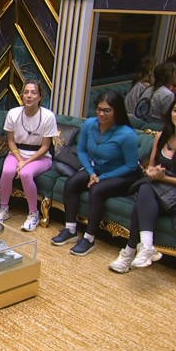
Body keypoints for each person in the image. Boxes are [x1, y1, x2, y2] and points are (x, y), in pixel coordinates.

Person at [109, 94, 176, 273]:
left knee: (144, 189)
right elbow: (152, 167)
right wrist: (152, 172)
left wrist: (164, 179)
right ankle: (144, 247)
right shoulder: (162, 136)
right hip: (158, 187)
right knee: (145, 189)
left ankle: (130, 252)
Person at [51, 91, 140, 256]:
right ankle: (70, 229)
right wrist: (91, 173)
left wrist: (102, 178)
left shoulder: (127, 134)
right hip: (96, 168)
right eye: (99, 109)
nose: (101, 114)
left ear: (117, 111)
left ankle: (89, 238)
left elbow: (131, 165)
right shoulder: (90, 124)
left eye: (107, 110)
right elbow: (82, 151)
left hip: (123, 175)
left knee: (97, 190)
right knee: (71, 183)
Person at [0, 80, 58, 231]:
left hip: (40, 156)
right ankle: (3, 208)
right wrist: (20, 160)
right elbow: (11, 141)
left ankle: (33, 214)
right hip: (17, 152)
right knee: (7, 171)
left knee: (25, 173)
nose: (29, 96)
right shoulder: (13, 113)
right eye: (26, 92)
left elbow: (45, 146)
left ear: (40, 96)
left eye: (33, 93)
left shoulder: (48, 116)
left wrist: (26, 163)